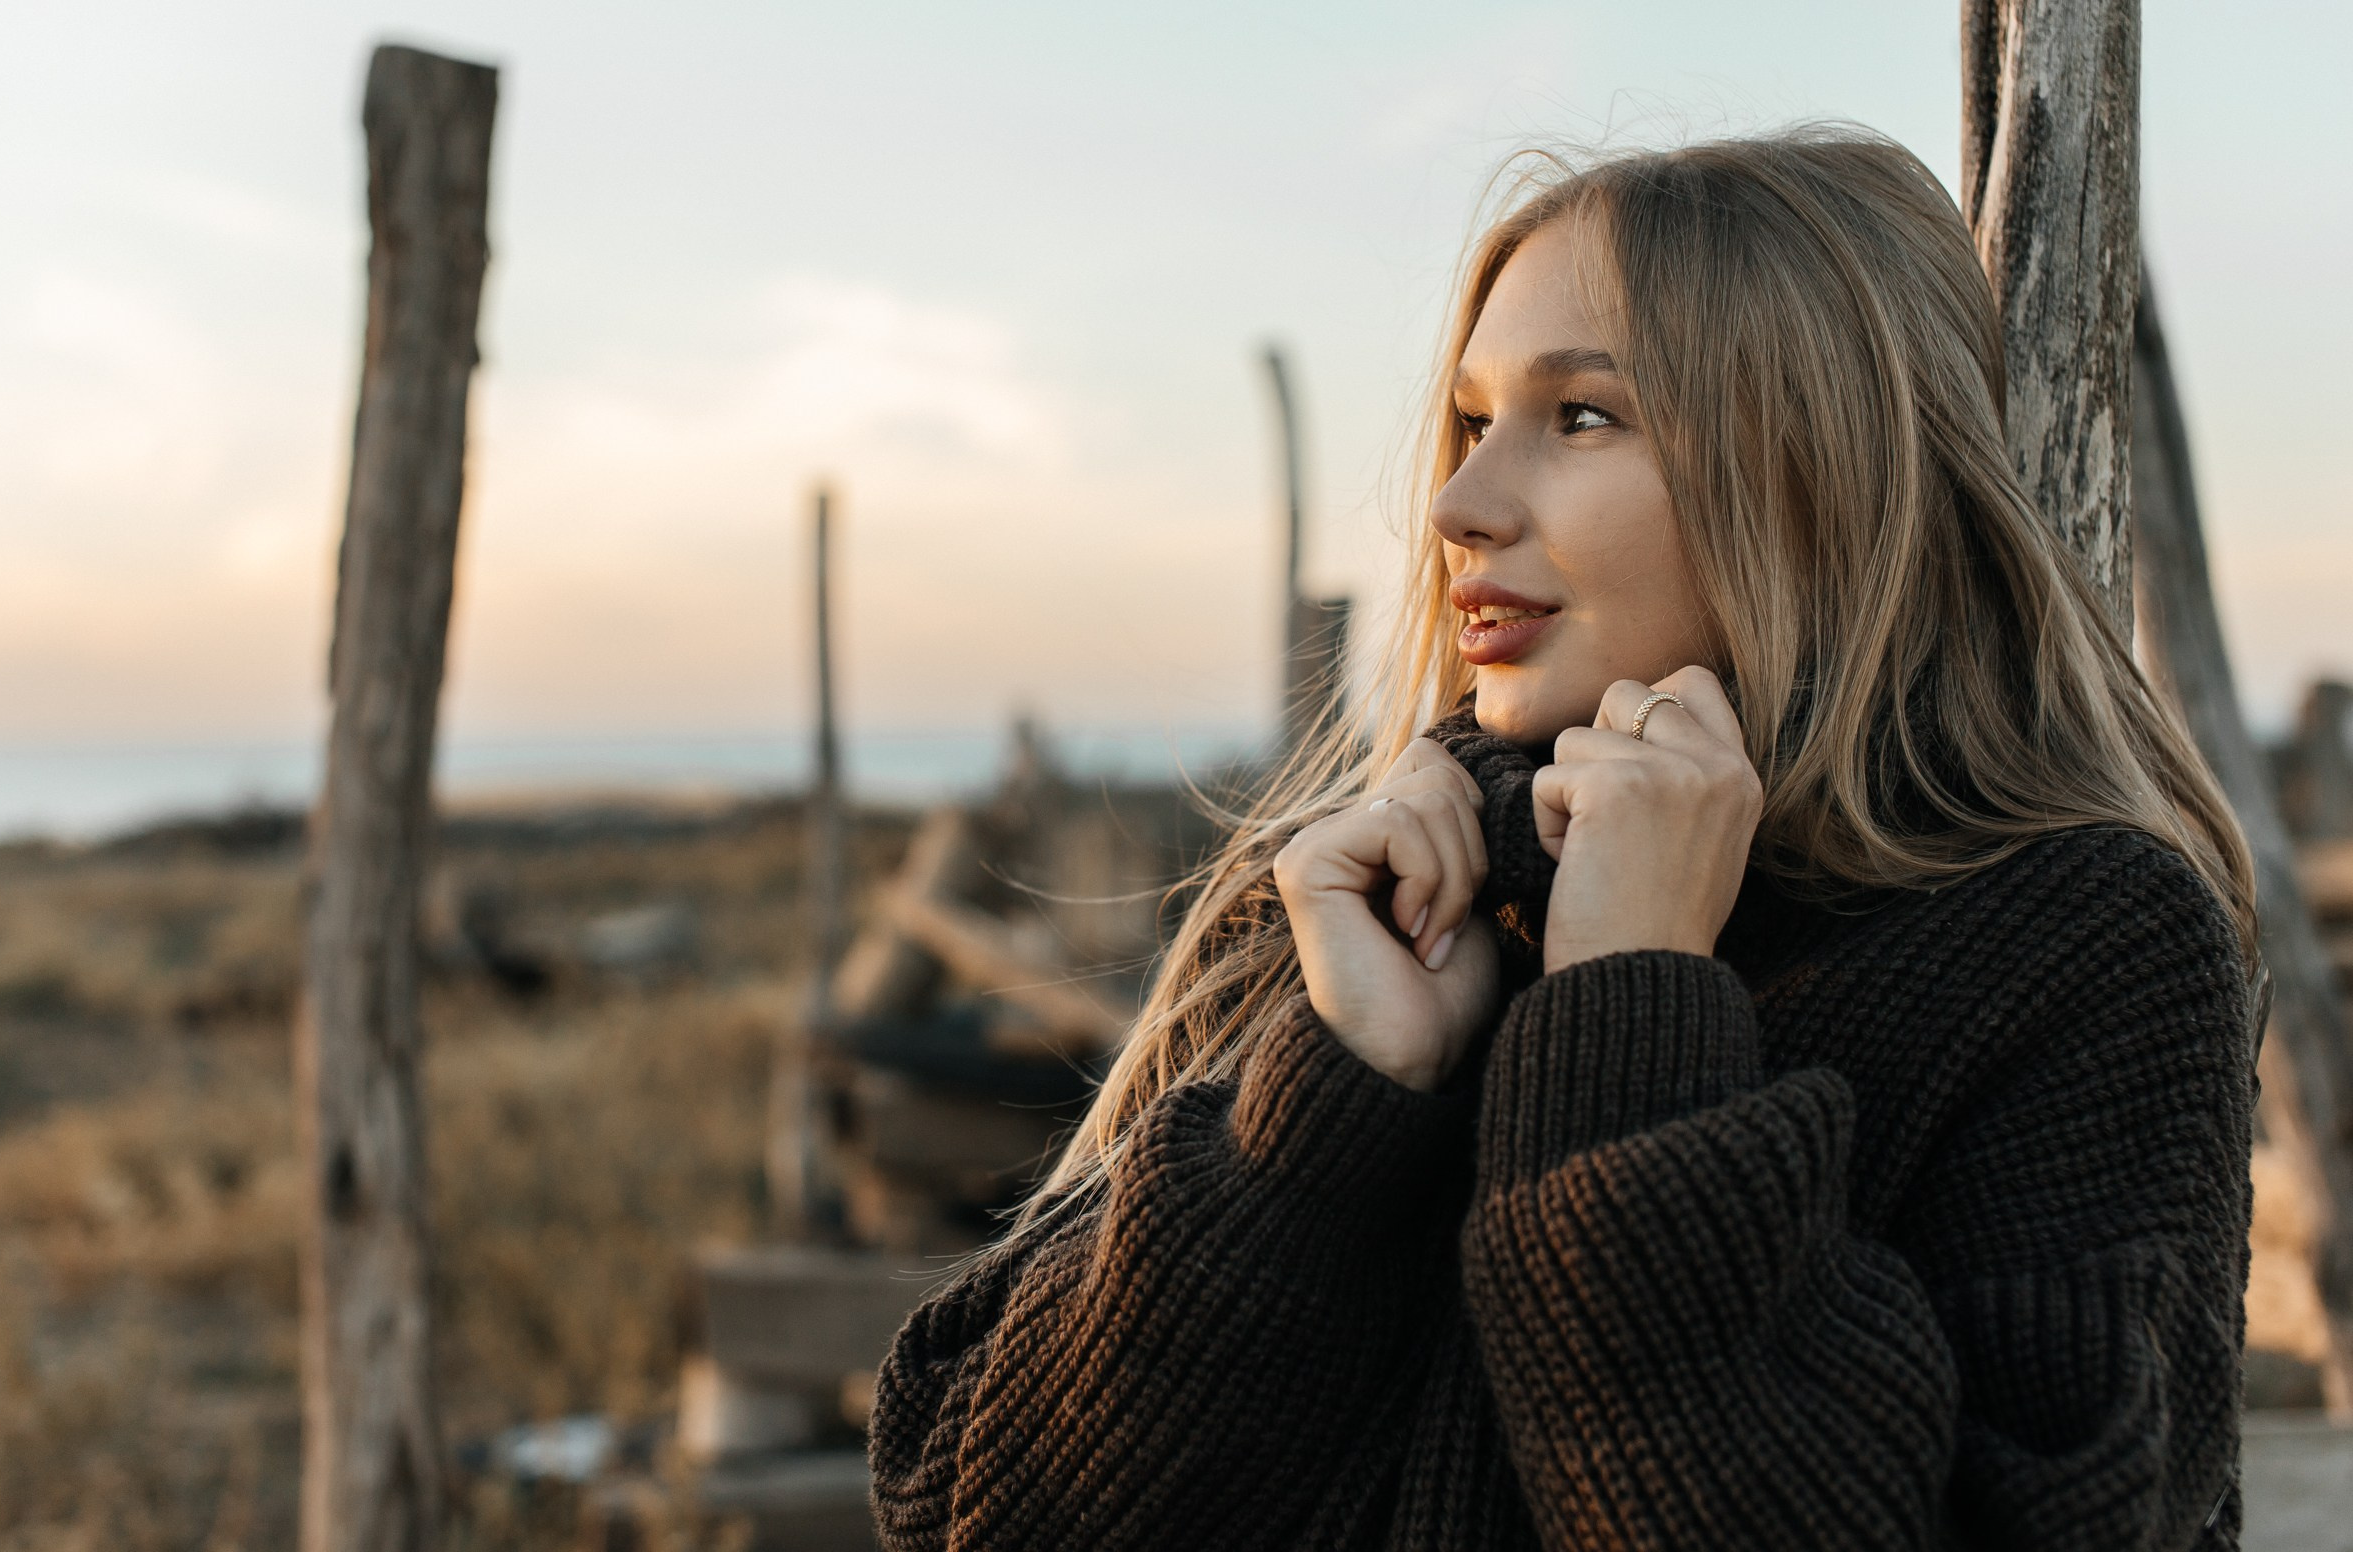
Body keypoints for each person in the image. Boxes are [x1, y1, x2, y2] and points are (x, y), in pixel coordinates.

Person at [868, 127, 2259, 1549]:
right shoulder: (1377, 886)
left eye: (1581, 417)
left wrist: (1631, 1023)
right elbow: (963, 1508)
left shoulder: (2076, 946)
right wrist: (1333, 1108)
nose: (1459, 506)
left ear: (1822, 463)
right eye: (1473, 423)